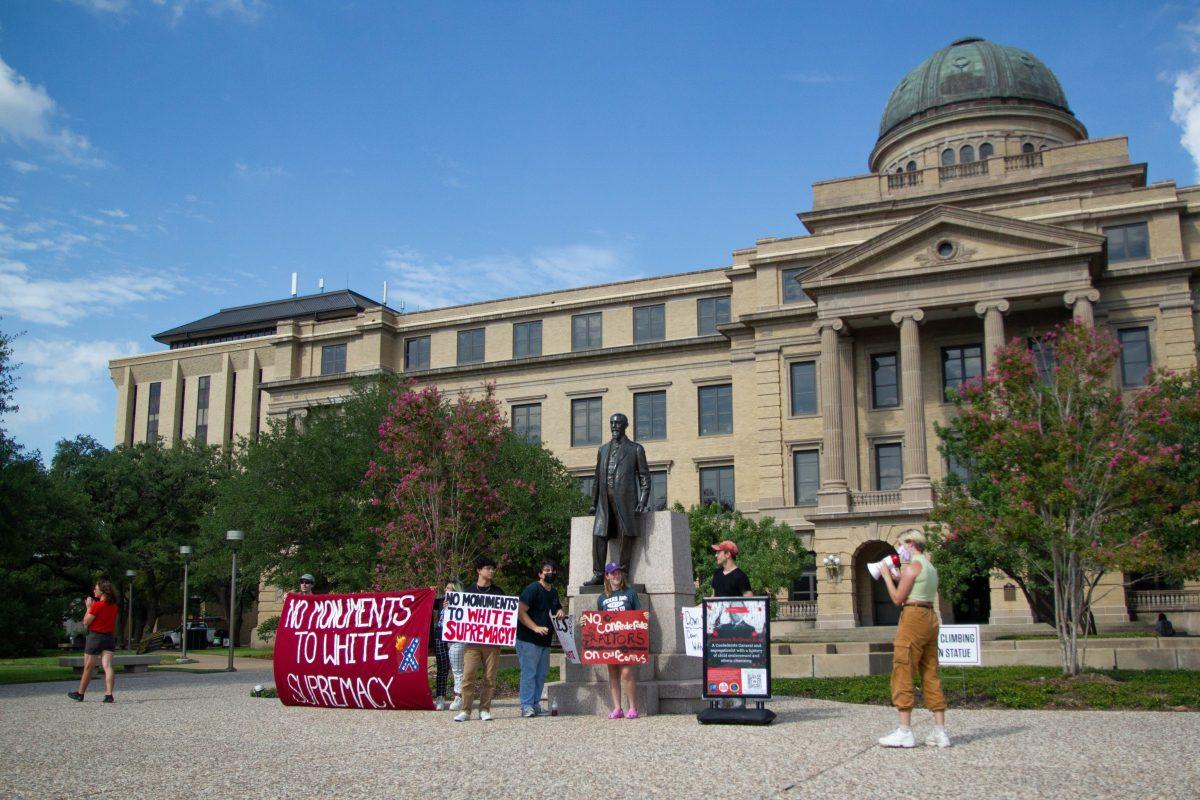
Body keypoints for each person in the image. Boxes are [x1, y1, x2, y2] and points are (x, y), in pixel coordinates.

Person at [878, 529, 949, 748]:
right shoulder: (930, 567)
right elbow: (914, 585)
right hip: (930, 616)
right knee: (930, 672)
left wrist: (887, 577)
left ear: (910, 543)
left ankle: (904, 730)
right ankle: (940, 731)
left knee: (903, 667)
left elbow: (898, 598)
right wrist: (900, 576)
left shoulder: (913, 567)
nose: (900, 550)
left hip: (913, 617)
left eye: (901, 545)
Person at [584, 413, 652, 585]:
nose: (614, 426)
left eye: (618, 424)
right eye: (612, 423)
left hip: (626, 502)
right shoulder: (603, 449)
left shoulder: (635, 449)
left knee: (625, 536)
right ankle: (599, 574)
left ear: (626, 425)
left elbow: (644, 477)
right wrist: (593, 504)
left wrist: (642, 502)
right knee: (598, 535)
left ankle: (622, 574)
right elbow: (597, 479)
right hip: (604, 502)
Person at [454, 557, 505, 722]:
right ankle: (465, 710)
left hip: (492, 643)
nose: (491, 571)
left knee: (489, 678)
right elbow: (459, 615)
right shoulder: (468, 592)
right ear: (479, 570)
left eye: (493, 568)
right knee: (468, 676)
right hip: (472, 644)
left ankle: (485, 709)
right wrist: (451, 607)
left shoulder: (498, 593)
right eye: (488, 568)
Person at [517, 560, 565, 717]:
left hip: (545, 640)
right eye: (547, 570)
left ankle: (535, 703)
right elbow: (521, 611)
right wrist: (535, 627)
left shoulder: (553, 591)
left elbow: (556, 606)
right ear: (540, 573)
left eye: (553, 570)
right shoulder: (532, 589)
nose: (550, 573)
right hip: (528, 639)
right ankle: (526, 705)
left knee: (541, 673)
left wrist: (560, 611)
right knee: (529, 673)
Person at [596, 562, 640, 719]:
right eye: (613, 573)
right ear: (607, 576)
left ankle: (633, 707)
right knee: (613, 673)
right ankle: (617, 708)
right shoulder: (602, 598)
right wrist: (587, 622)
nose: (617, 575)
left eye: (618, 572)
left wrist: (644, 617)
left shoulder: (630, 594)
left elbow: (638, 614)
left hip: (627, 640)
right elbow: (599, 620)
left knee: (627, 672)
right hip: (610, 641)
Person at [68, 580, 120, 703]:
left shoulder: (97, 605)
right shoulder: (114, 606)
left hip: (95, 637)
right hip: (109, 638)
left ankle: (80, 693)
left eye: (96, 589)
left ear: (102, 591)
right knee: (107, 666)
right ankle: (109, 695)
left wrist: (88, 608)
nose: (94, 591)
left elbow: (86, 622)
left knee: (88, 667)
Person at [444, 579, 466, 711]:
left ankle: (459, 697)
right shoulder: (445, 604)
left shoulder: (462, 606)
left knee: (457, 671)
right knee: (457, 670)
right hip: (449, 640)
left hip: (458, 640)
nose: (446, 590)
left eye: (449, 588)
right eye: (446, 588)